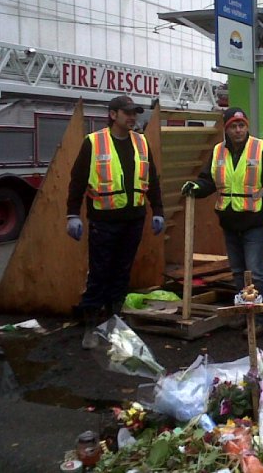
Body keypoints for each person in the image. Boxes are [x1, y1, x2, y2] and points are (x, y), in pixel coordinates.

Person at [66, 95, 165, 350]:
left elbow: (151, 179)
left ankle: (113, 323)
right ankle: (90, 325)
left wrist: (158, 211)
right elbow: (77, 180)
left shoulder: (140, 142)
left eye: (135, 113)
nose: (132, 118)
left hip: (133, 219)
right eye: (127, 113)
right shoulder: (94, 142)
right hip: (104, 221)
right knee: (100, 274)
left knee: (122, 273)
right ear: (113, 115)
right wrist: (72, 214)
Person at [182, 107, 263, 336]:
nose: (238, 130)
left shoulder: (262, 149)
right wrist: (196, 188)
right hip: (229, 221)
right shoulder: (218, 151)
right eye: (233, 126)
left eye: (242, 125)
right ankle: (244, 313)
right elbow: (208, 181)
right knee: (238, 271)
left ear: (247, 127)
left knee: (256, 272)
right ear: (226, 129)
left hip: (254, 221)